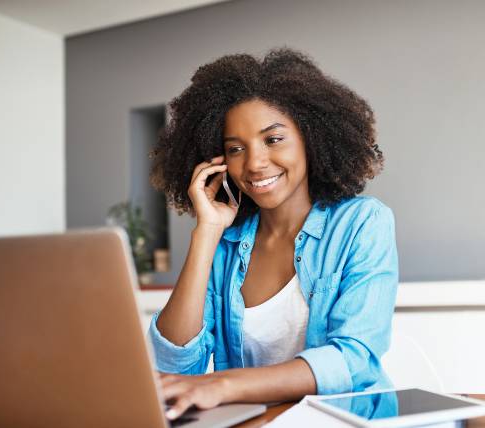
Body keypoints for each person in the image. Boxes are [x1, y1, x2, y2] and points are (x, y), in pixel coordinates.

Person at [148, 48, 399, 420]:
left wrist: (226, 384)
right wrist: (207, 232)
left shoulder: (361, 224)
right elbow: (177, 365)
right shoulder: (226, 245)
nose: (254, 163)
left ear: (310, 138)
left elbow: (353, 359)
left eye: (273, 139)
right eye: (235, 148)